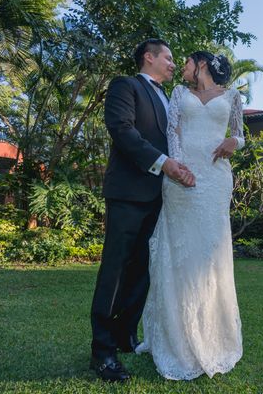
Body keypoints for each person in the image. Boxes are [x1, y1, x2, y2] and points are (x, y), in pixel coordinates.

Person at [90, 39, 196, 382]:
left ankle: (125, 334)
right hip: (127, 193)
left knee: (144, 269)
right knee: (116, 270)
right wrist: (164, 163)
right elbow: (122, 130)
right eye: (167, 57)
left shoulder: (170, 97)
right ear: (148, 57)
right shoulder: (126, 85)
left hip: (159, 197)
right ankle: (102, 351)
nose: (171, 63)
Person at [136, 51, 244, 380]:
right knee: (179, 252)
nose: (180, 68)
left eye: (185, 63)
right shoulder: (179, 94)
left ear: (202, 64)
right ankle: (175, 338)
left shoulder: (233, 95)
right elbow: (173, 132)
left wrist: (233, 142)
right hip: (181, 179)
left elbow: (240, 133)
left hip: (215, 179)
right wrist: (180, 168)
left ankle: (213, 335)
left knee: (210, 253)